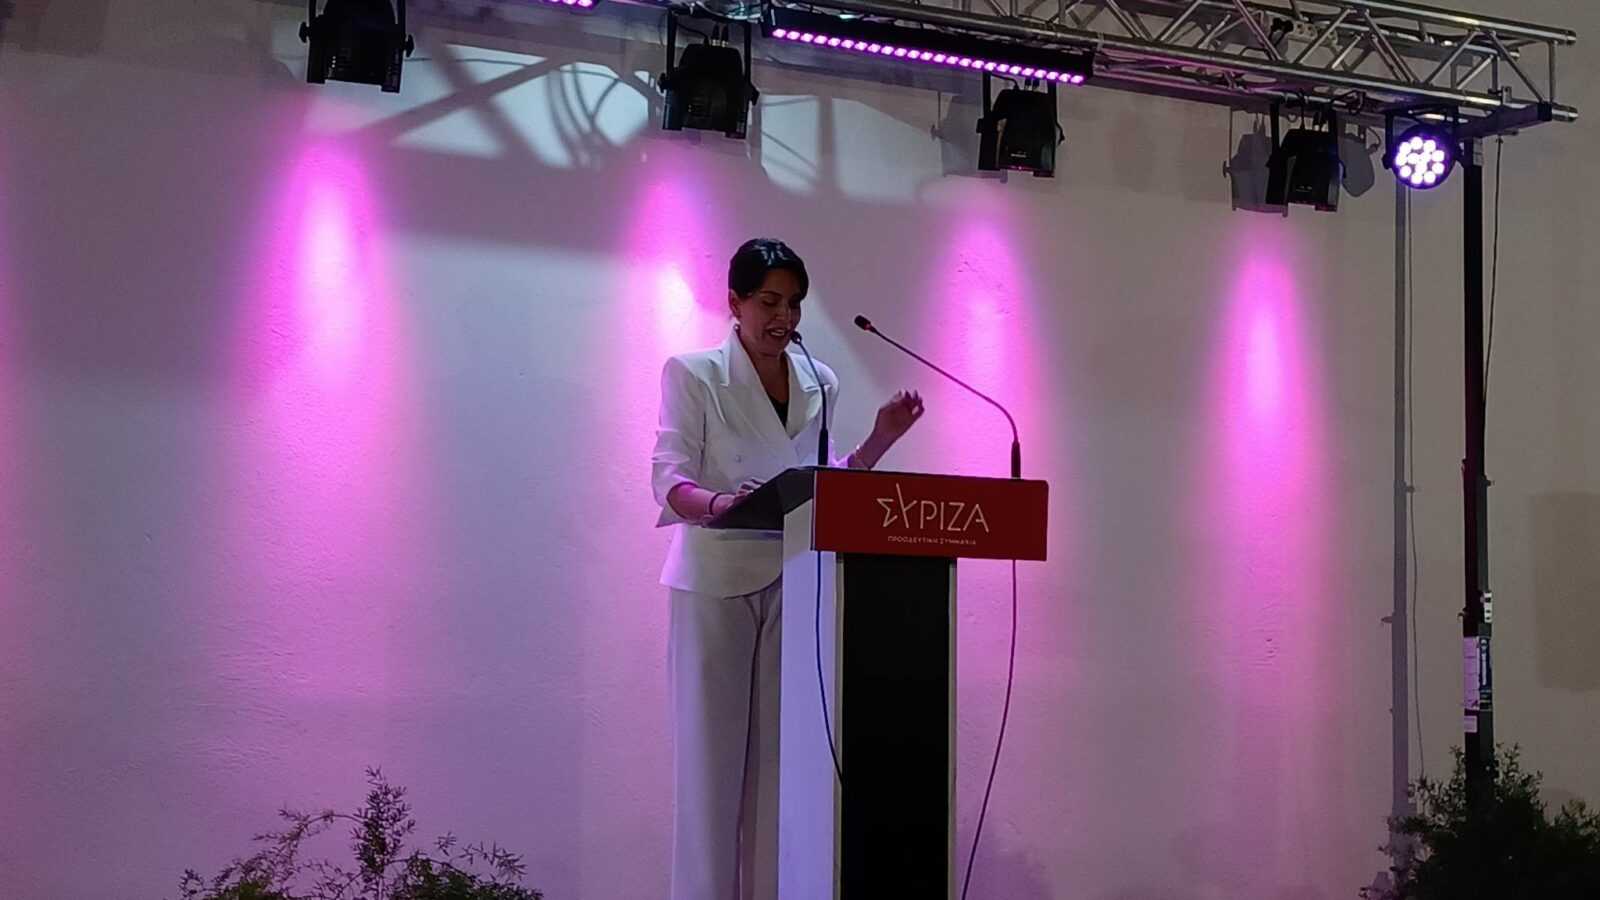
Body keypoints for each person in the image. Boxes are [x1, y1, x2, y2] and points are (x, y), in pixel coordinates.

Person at [652, 238, 924, 900]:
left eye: (794, 304)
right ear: (735, 302)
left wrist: (880, 440)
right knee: (712, 766)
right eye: (769, 302)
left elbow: (820, 487)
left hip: (794, 581)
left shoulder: (818, 380)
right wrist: (722, 504)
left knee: (781, 765)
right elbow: (668, 478)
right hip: (716, 581)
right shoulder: (693, 373)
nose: (784, 318)